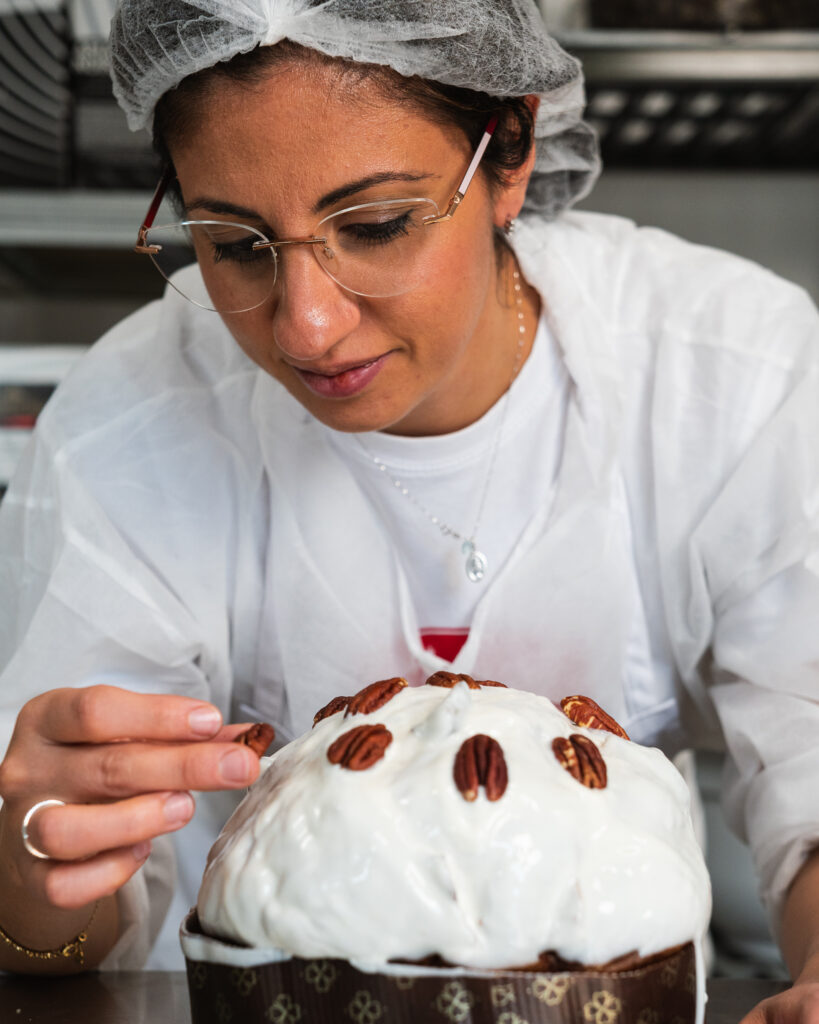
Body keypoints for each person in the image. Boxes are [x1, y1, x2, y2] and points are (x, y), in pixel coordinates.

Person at [0, 0, 817, 1018]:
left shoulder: (729, 376)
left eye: (377, 225)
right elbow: (74, 912)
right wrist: (33, 877)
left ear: (508, 154)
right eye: (238, 244)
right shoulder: (133, 428)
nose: (307, 324)